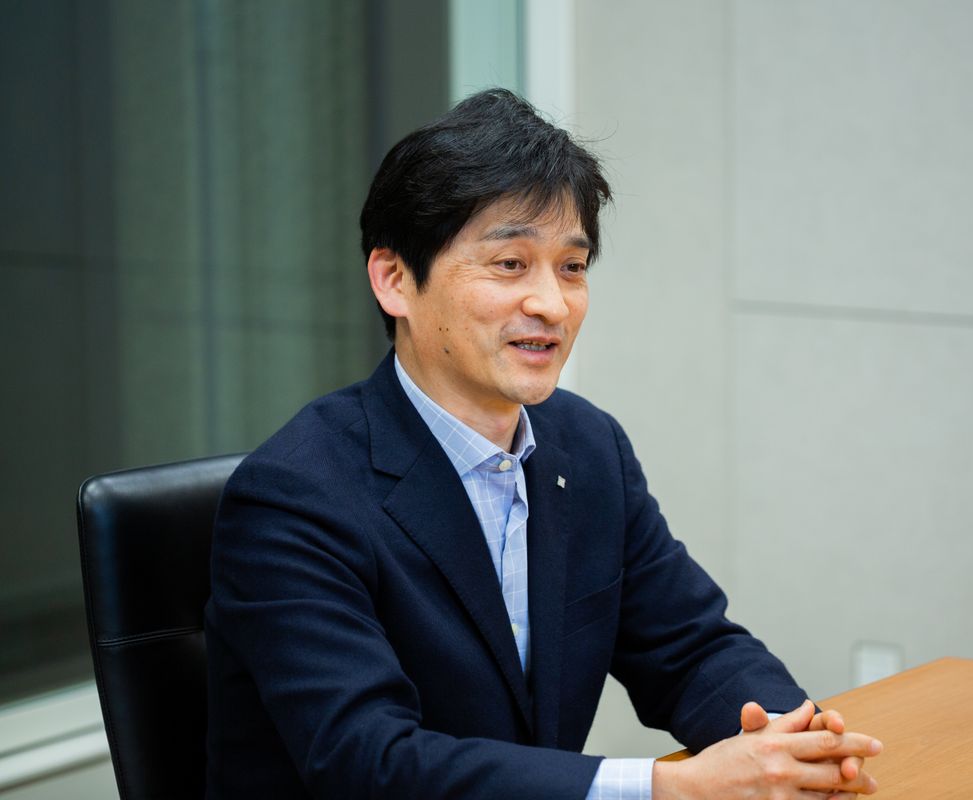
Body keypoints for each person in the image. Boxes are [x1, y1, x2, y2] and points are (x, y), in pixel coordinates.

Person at [205, 88, 883, 799]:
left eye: (572, 267)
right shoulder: (293, 498)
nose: (552, 305)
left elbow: (691, 647)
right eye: (509, 264)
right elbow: (372, 762)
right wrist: (669, 788)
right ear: (395, 279)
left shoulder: (587, 447)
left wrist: (796, 743)